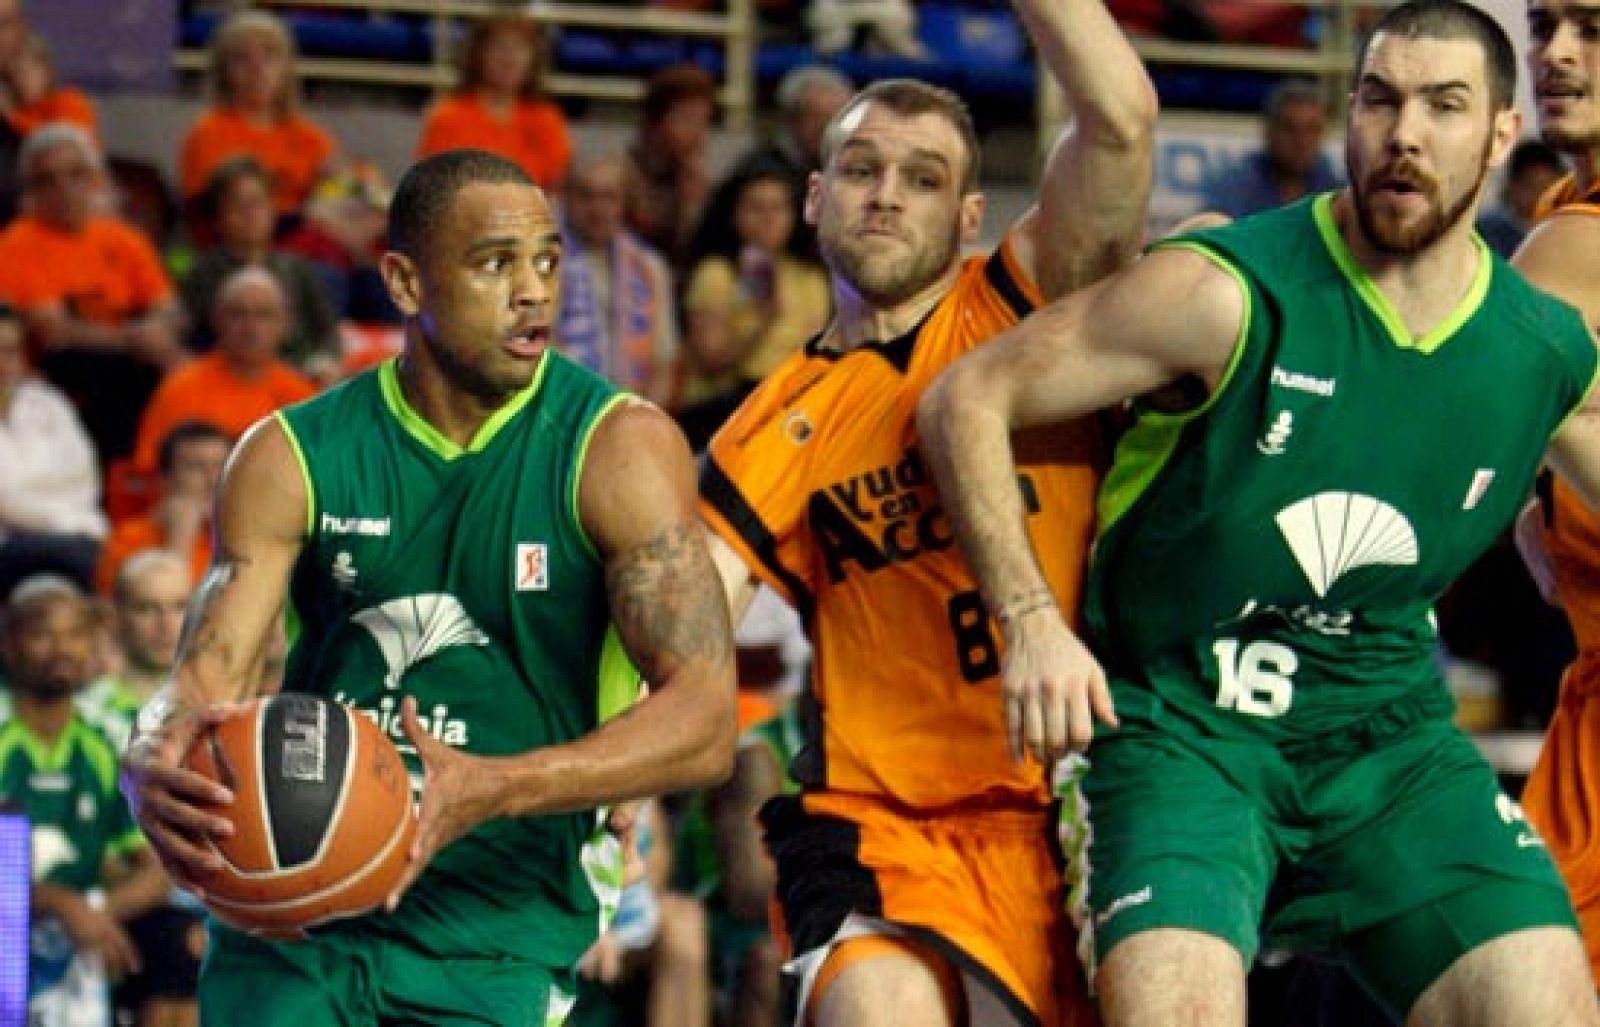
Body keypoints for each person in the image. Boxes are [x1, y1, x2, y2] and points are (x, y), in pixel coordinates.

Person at [916, 3, 1600, 1023]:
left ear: (1502, 135)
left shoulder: (1539, 351)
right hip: (1182, 734)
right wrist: (1028, 623)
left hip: (1387, 745)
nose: (1403, 133)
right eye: (1379, 99)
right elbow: (963, 397)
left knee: (1548, 1002)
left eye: (1443, 106)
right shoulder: (1225, 289)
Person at [119, 148, 738, 1026]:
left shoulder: (617, 449)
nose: (534, 292)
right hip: (302, 907)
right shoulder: (290, 453)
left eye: (548, 262)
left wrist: (498, 784)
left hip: (500, 918)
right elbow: (201, 682)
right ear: (406, 284)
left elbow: (707, 719)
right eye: (496, 264)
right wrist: (149, 751)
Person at [698, 0, 1158, 1021]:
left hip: (1074, 811)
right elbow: (676, 644)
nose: (885, 197)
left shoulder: (1026, 304)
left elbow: (1120, 117)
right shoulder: (762, 430)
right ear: (815, 198)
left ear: (966, 219)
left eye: (922, 179)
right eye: (860, 171)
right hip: (876, 820)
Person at [1511, 0, 1600, 990]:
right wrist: (1550, 515)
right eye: (1542, 25)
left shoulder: (1574, 242)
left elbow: (1436, 383)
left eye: (1590, 27)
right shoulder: (1562, 219)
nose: (1554, 54)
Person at [1, 575, 170, 1027]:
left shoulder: (107, 738)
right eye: (42, 633)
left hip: (77, 951)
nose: (62, 648)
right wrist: (61, 904)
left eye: (75, 633)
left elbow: (155, 870)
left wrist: (93, 913)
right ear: (9, 641)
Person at [0, 123, 186, 464]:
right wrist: (134, 337)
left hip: (134, 361)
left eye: (76, 174)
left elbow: (170, 308)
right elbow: (54, 333)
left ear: (96, 180)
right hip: (63, 372)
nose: (64, 188)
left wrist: (157, 330)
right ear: (30, 192)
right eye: (48, 179)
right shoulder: (17, 244)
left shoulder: (124, 238)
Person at [78, 550, 204, 1027]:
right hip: (136, 903)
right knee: (179, 943)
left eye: (178, 607)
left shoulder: (222, 709)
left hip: (218, 901)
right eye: (147, 608)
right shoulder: (88, 718)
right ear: (113, 617)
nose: (165, 625)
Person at [677, 158, 831, 450]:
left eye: (779, 208)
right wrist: (763, 320)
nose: (768, 218)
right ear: (734, 214)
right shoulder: (716, 273)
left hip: (791, 410)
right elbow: (711, 359)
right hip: (723, 412)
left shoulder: (811, 277)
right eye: (756, 208)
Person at [134, 266, 317, 476]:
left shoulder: (303, 397)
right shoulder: (181, 389)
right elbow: (149, 470)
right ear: (217, 320)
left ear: (285, 323)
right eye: (239, 314)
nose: (251, 328)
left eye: (264, 315)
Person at [179, 158, 340, 377]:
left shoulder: (297, 267)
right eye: (237, 205)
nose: (249, 214)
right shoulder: (203, 273)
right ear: (218, 216)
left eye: (257, 203)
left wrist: (324, 362)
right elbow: (186, 338)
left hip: (299, 381)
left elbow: (327, 332)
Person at [179, 9, 338, 219]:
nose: (257, 68)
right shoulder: (207, 134)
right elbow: (207, 216)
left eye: (270, 55)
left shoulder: (311, 138)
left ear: (287, 68)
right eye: (241, 58)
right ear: (223, 72)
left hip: (306, 240)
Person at [554, 151, 680, 407]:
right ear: (566, 199)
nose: (597, 208)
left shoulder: (650, 268)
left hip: (633, 417)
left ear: (625, 204)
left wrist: (642, 421)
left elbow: (663, 363)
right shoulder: (540, 264)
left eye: (609, 197)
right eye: (586, 195)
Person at [0, 304, 106, 599]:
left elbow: (84, 479)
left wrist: (54, 520)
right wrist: (63, 521)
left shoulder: (49, 404)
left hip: (73, 538)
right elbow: (4, 498)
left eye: (10, 351)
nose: (3, 363)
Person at [415, 13, 572, 191]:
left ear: (533, 59)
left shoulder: (546, 117)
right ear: (477, 56)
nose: (508, 58)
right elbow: (430, 184)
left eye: (519, 48)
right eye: (499, 48)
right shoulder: (448, 115)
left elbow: (557, 186)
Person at [96, 420, 231, 596]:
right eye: (196, 467)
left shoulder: (247, 534)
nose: (213, 480)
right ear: (165, 480)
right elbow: (164, 611)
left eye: (221, 465)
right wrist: (180, 537)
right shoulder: (128, 539)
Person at [1198, 77, 1344, 218]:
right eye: (1289, 129)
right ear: (1268, 131)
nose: (1301, 141)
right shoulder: (1235, 187)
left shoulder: (1333, 190)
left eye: (1312, 130)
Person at [1476, 136, 1565, 256]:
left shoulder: (1563, 230)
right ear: (1512, 186)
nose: (1541, 196)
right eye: (1532, 187)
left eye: (1549, 188)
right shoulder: (1484, 232)